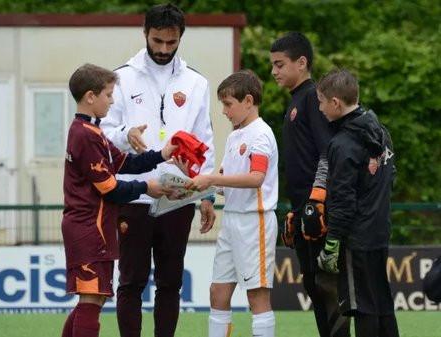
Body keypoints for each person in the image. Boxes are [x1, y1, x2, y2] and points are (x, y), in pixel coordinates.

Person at [101, 4, 216, 336]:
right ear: (145, 33)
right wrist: (126, 135)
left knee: (170, 282)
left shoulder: (197, 82)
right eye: (157, 41)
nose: (164, 49)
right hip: (133, 193)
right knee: (131, 282)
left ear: (180, 37)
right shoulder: (120, 77)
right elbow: (105, 133)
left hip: (179, 196)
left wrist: (206, 194)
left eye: (171, 42)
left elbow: (204, 138)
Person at [61, 63, 178, 337]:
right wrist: (147, 188)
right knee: (91, 300)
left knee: (93, 298)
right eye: (108, 94)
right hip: (88, 227)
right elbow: (110, 188)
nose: (113, 100)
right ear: (91, 97)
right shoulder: (85, 135)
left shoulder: (93, 131)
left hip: (94, 227)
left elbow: (125, 161)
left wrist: (162, 154)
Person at [184, 70, 277, 337]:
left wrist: (210, 178)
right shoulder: (236, 135)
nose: (224, 111)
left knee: (257, 297)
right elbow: (224, 181)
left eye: (228, 104)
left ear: (248, 101)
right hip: (233, 221)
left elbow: (256, 178)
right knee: (218, 292)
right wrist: (197, 185)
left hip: (254, 221)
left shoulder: (261, 134)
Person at [270, 32, 350, 337]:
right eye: (273, 65)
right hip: (303, 208)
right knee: (313, 285)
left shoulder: (313, 98)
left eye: (280, 64)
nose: (274, 71)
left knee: (327, 286)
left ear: (301, 63)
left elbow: (328, 152)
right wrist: (297, 208)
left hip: (319, 209)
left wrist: (317, 201)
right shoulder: (295, 101)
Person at [315, 69, 399, 337]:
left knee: (360, 306)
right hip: (380, 229)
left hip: (356, 237)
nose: (320, 108)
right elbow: (390, 176)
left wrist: (332, 243)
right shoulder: (380, 131)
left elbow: (342, 199)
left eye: (321, 101)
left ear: (336, 103)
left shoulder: (342, 143)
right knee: (381, 304)